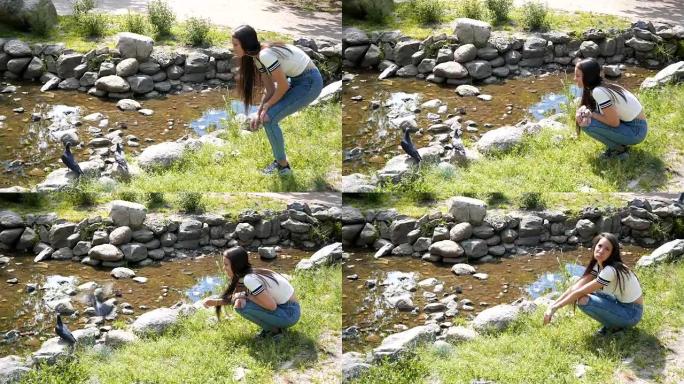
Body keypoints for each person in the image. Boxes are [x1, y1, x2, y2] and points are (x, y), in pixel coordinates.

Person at [231, 24, 324, 175]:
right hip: (298, 81)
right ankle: (281, 163)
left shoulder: (265, 55)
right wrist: (259, 111)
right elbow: (270, 89)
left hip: (310, 82)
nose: (233, 48)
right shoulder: (257, 58)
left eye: (235, 44)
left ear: (245, 44)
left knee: (269, 118)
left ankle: (283, 167)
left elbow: (283, 86)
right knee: (265, 116)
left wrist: (267, 108)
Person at [543, 233, 644, 335]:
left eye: (607, 249)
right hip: (620, 304)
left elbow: (580, 292)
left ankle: (616, 327)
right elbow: (575, 288)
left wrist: (554, 309)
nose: (601, 250)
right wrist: (552, 305)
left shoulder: (610, 270)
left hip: (632, 313)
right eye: (600, 246)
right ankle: (613, 326)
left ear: (612, 253)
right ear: (595, 246)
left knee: (583, 300)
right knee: (580, 292)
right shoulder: (599, 264)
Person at [202, 246, 301, 338]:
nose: (224, 268)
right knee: (240, 300)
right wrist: (214, 302)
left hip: (289, 313)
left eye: (226, 265)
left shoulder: (249, 279)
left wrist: (246, 296)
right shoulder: (250, 274)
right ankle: (274, 329)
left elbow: (272, 306)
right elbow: (236, 296)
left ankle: (274, 331)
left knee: (241, 306)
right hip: (289, 310)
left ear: (236, 265)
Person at [574, 58, 648, 159]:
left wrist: (591, 114)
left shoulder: (598, 91)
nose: (574, 79)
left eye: (577, 76)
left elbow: (614, 123)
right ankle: (619, 146)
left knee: (585, 123)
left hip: (636, 131)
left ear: (588, 76)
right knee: (586, 117)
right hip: (635, 126)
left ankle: (618, 150)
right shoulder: (603, 85)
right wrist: (589, 112)